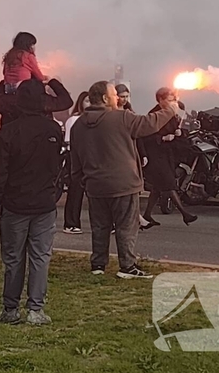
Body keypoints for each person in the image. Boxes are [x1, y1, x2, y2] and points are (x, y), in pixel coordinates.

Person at [69, 81, 176, 279]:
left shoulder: (78, 126)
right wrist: (170, 110)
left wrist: (85, 181)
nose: (117, 98)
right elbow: (149, 123)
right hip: (123, 184)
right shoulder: (121, 118)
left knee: (100, 227)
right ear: (104, 98)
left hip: (95, 185)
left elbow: (75, 161)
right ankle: (127, 266)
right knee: (126, 227)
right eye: (113, 94)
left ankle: (98, 264)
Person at [0, 78, 64, 326]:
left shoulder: (8, 132)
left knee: (13, 257)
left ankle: (11, 308)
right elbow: (56, 166)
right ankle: (36, 308)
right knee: (40, 256)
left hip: (15, 202)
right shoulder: (53, 130)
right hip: (44, 202)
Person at [141, 88, 197, 228]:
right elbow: (145, 136)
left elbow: (178, 129)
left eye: (174, 100)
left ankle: (147, 215)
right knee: (169, 183)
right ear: (160, 100)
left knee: (157, 187)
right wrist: (163, 138)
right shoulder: (153, 115)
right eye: (170, 100)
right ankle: (185, 214)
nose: (173, 103)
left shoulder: (172, 114)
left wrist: (179, 132)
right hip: (155, 154)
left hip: (167, 154)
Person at [0, 77, 73, 128]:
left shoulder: (11, 102)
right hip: (40, 142)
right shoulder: (44, 101)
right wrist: (52, 82)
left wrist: (4, 83)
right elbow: (66, 101)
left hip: (15, 145)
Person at [62, 91, 89, 234]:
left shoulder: (96, 119)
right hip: (76, 159)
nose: (89, 104)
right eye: (87, 101)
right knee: (75, 192)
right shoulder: (74, 120)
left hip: (92, 159)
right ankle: (71, 223)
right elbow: (68, 143)